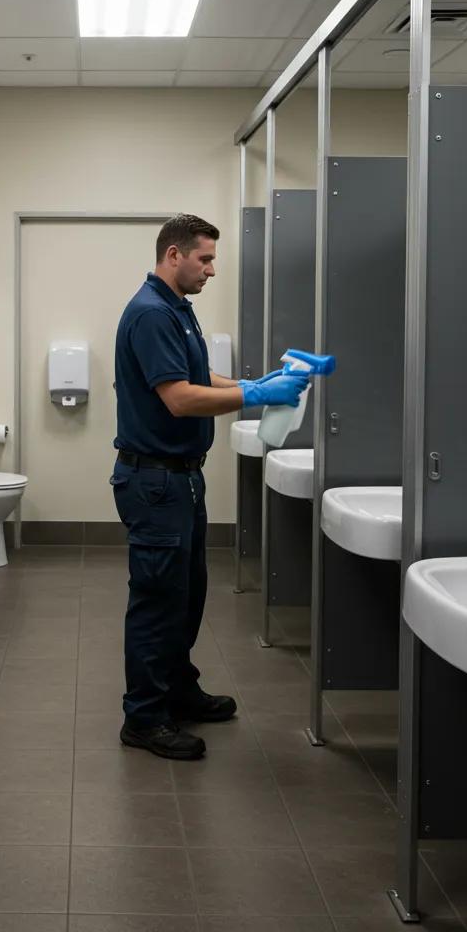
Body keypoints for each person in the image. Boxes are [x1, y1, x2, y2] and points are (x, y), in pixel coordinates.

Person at [111, 213, 309, 760]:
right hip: (155, 481)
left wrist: (252, 383)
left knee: (187, 594)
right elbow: (179, 398)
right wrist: (257, 398)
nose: (212, 270)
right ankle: (145, 718)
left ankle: (177, 688)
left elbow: (199, 379)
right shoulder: (151, 314)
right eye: (205, 259)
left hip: (179, 480)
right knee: (157, 601)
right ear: (173, 255)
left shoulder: (177, 311)